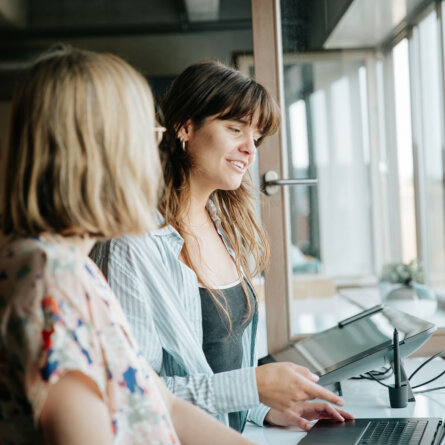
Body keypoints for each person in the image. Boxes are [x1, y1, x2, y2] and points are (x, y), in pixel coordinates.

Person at [0, 48, 257, 445]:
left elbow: (163, 405)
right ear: (93, 151)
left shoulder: (71, 267)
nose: (159, 149)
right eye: (148, 134)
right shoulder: (49, 282)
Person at [90, 61, 353, 433]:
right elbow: (134, 392)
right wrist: (254, 385)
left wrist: (261, 408)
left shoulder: (221, 222)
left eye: (256, 136)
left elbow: (218, 370)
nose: (249, 149)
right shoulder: (134, 244)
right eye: (234, 129)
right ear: (185, 127)